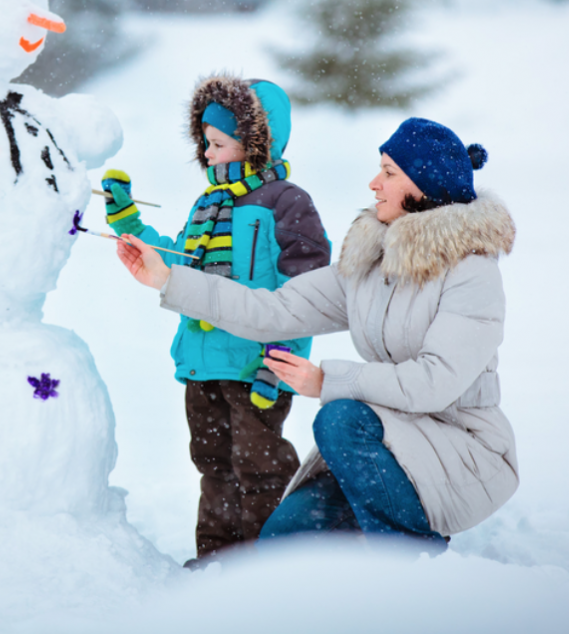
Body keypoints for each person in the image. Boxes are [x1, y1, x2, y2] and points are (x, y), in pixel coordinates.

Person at [115, 117, 518, 552]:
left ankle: (411, 560)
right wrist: (168, 280)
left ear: (421, 187)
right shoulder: (371, 265)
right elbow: (274, 310)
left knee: (339, 416)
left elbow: (433, 382)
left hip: (460, 450)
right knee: (281, 545)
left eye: (388, 173)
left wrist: (326, 382)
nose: (373, 184)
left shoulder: (472, 274)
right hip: (386, 443)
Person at [101, 75, 331, 565]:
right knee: (214, 465)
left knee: (259, 466)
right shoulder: (207, 204)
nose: (207, 154)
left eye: (218, 143)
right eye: (204, 143)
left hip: (256, 368)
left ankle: (268, 564)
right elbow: (178, 261)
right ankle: (217, 561)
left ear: (254, 144)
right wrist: (128, 226)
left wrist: (281, 364)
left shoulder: (287, 204)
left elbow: (309, 294)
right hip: (204, 366)